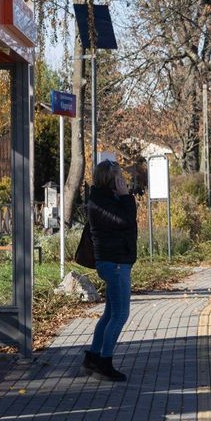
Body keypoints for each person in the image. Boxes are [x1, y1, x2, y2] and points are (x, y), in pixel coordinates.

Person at [83, 159, 137, 382]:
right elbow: (125, 220)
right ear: (110, 179)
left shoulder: (105, 198)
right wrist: (126, 197)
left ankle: (94, 356)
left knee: (109, 314)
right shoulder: (101, 202)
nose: (123, 181)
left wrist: (123, 197)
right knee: (120, 315)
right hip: (114, 263)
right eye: (119, 177)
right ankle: (104, 362)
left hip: (116, 261)